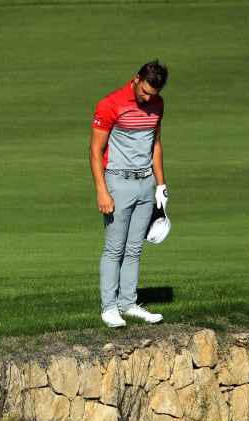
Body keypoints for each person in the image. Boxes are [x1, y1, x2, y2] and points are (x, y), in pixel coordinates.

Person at [89, 60, 169, 328]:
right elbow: (95, 150)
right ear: (136, 79)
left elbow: (155, 144)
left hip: (146, 183)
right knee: (114, 248)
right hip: (117, 182)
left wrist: (161, 185)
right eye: (145, 92)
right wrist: (102, 190)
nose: (148, 98)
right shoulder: (110, 104)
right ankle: (109, 308)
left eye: (153, 94)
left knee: (134, 248)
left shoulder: (157, 105)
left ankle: (128, 303)